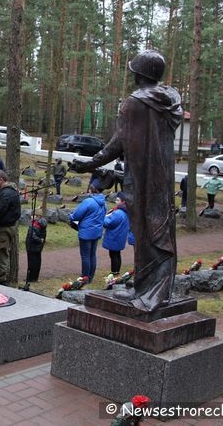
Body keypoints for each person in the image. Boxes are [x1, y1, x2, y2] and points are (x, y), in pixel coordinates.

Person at [71, 49, 183, 312]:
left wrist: (89, 163)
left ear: (139, 73)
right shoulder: (170, 100)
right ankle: (148, 286)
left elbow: (117, 143)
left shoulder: (135, 103)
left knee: (145, 231)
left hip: (142, 177)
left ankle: (150, 291)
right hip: (162, 177)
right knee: (158, 228)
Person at [68, 182, 106, 282]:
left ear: (91, 189)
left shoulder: (88, 201)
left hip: (86, 232)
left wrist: (70, 216)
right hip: (97, 231)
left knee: (85, 255)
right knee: (92, 254)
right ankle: (90, 277)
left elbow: (76, 215)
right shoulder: (103, 202)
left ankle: (85, 277)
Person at [103, 191, 130, 275]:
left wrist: (104, 217)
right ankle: (116, 271)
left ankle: (114, 272)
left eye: (118, 200)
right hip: (120, 236)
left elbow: (108, 223)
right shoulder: (126, 212)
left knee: (113, 255)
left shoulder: (118, 213)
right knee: (117, 254)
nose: (116, 202)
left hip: (114, 237)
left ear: (123, 202)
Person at [23, 213, 47, 289]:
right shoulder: (43, 224)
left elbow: (32, 236)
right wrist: (41, 240)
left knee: (31, 262)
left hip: (31, 246)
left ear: (37, 216)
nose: (31, 216)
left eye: (33, 215)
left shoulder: (34, 225)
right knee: (37, 261)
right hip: (38, 247)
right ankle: (35, 277)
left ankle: (29, 278)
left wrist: (38, 240)